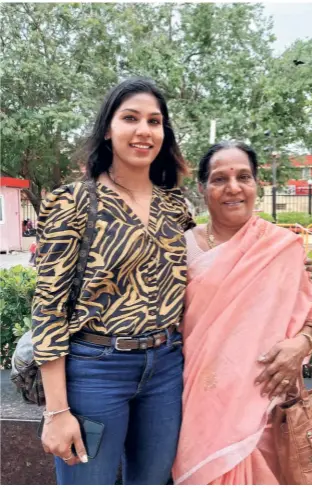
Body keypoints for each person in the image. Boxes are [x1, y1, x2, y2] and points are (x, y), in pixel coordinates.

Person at [31, 78, 195, 485]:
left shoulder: (175, 206)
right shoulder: (72, 201)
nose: (144, 130)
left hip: (166, 368)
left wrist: (281, 262)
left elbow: (208, 273)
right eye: (131, 118)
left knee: (153, 482)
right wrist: (56, 412)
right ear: (108, 128)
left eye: (154, 121)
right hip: (95, 370)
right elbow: (48, 306)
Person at [172, 141, 312, 485]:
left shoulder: (280, 247)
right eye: (219, 179)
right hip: (198, 402)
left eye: (244, 177)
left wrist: (301, 344)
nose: (233, 188)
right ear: (202, 188)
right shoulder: (180, 248)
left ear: (257, 184)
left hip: (266, 404)